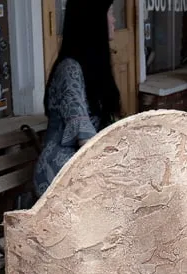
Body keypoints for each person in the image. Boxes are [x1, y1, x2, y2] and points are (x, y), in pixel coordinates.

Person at [34, 0, 121, 197]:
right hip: (60, 174)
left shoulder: (93, 69)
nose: (114, 20)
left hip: (83, 167)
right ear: (94, 20)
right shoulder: (69, 70)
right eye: (110, 13)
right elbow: (85, 137)